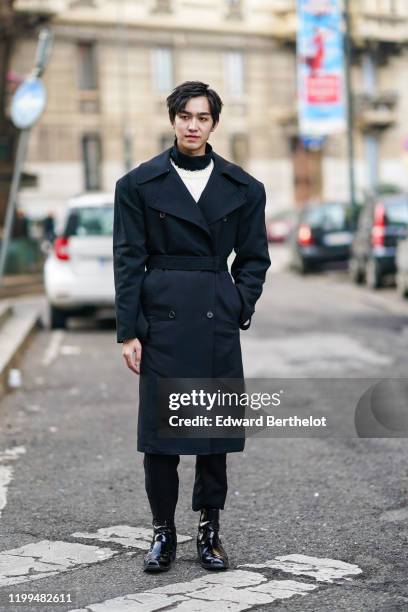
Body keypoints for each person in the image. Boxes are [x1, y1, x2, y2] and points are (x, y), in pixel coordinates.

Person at [113, 81, 271, 573]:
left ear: (213, 124)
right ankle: (163, 532)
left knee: (212, 438)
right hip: (162, 321)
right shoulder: (138, 185)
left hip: (213, 320)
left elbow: (254, 259)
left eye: (202, 118)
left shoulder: (244, 187)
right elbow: (127, 259)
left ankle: (209, 531)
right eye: (185, 116)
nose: (193, 125)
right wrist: (128, 330)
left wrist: (235, 302)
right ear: (173, 119)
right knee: (161, 439)